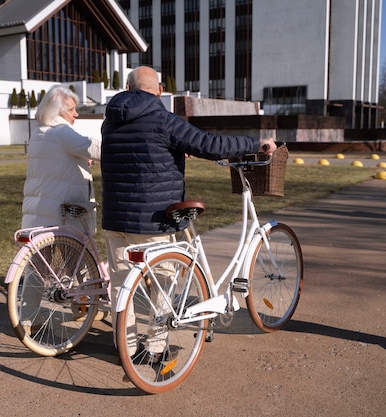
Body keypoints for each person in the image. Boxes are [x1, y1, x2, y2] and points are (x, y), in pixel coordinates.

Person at [101, 65, 276, 357]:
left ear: (129, 89)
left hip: (115, 217)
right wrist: (255, 143)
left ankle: (126, 348)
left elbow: (138, 152)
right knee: (165, 283)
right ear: (158, 90)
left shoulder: (111, 121)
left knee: (121, 286)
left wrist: (171, 150)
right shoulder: (163, 119)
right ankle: (156, 348)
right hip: (152, 220)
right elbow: (211, 144)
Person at [21, 86, 101, 234]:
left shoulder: (38, 133)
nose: (76, 114)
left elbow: (57, 159)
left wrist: (81, 160)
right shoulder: (62, 132)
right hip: (59, 215)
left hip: (38, 212)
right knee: (68, 256)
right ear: (57, 111)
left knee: (41, 256)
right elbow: (96, 149)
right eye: (71, 110)